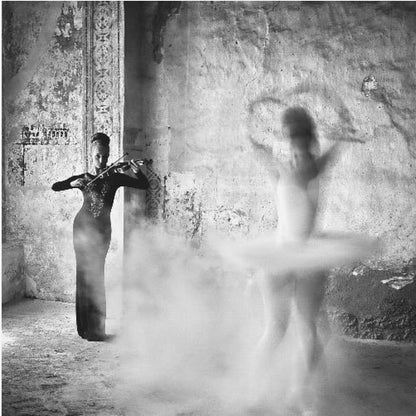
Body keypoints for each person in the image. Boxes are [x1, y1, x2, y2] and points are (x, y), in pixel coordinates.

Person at [52, 132, 150, 341]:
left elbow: (144, 185)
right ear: (92, 154)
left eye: (105, 156)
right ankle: (84, 328)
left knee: (96, 277)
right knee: (84, 276)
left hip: (102, 232)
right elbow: (55, 186)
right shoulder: (85, 178)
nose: (102, 161)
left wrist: (135, 170)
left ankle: (96, 330)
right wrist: (72, 184)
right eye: (98, 156)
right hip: (81, 230)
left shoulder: (114, 177)